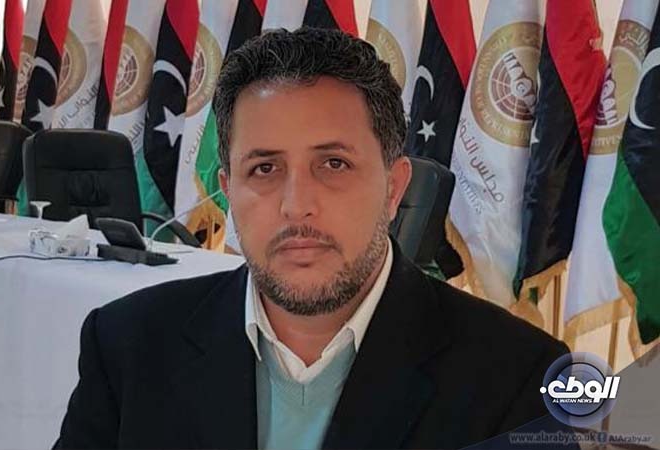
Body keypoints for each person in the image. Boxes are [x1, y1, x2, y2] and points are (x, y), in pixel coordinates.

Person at [54, 27, 568, 449]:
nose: (296, 204)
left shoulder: (520, 378)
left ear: (394, 189)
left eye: (333, 163)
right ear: (228, 192)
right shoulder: (128, 345)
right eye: (264, 168)